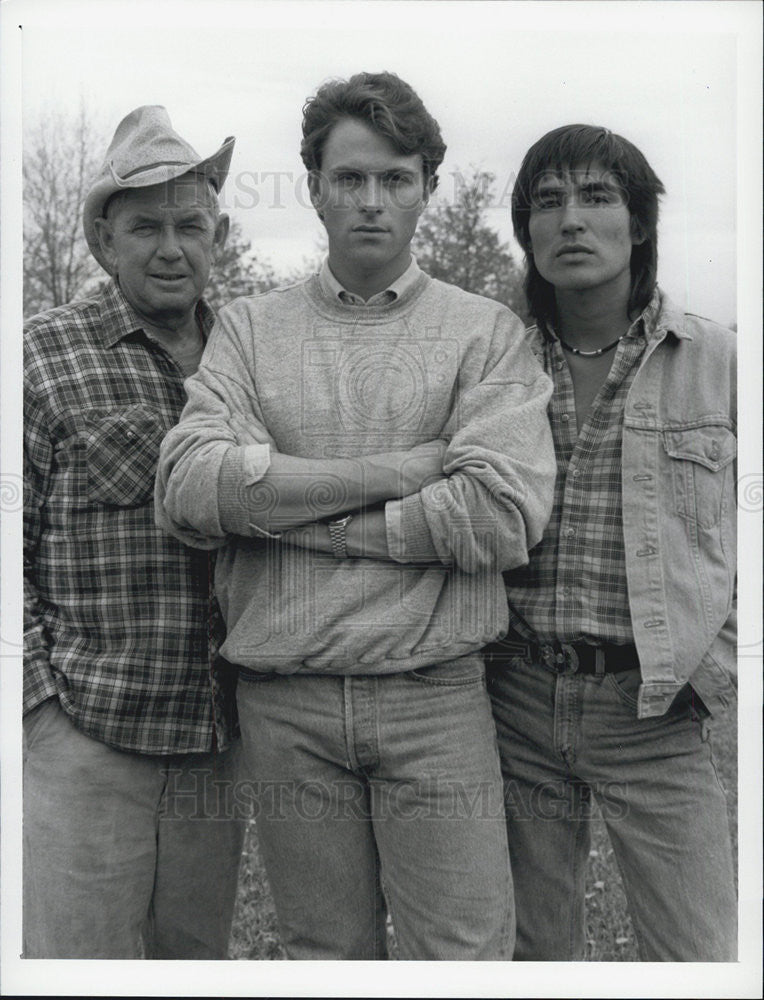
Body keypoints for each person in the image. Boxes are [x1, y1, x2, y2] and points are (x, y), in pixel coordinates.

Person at [156, 71, 555, 960]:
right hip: (285, 705)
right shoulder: (251, 331)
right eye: (350, 179)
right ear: (315, 189)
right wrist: (403, 470)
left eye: (396, 179)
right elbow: (189, 486)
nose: (372, 201)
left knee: (460, 954)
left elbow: (498, 515)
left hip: (435, 699)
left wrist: (298, 514)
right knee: (322, 956)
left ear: (428, 190)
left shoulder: (486, 333)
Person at [485, 123, 737, 961]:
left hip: (654, 711)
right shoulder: (495, 365)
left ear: (640, 225)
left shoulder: (720, 362)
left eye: (597, 197)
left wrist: (716, 663)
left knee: (697, 954)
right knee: (529, 954)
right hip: (515, 698)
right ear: (527, 231)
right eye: (548, 202)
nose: (572, 221)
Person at [23, 105, 246, 959]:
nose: (170, 247)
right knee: (78, 966)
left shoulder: (246, 355)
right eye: (145, 226)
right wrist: (39, 711)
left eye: (191, 225)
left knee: (194, 963)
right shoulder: (40, 356)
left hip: (214, 746)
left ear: (216, 235)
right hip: (87, 739)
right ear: (103, 243)